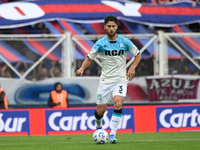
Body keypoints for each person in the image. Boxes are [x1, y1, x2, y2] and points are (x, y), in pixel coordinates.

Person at [76, 15, 141, 144]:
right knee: (100, 111)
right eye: (109, 26)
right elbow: (90, 57)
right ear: (105, 27)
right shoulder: (100, 43)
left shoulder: (125, 42)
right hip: (105, 81)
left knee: (118, 103)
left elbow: (138, 55)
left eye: (113, 26)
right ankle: (99, 127)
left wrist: (132, 67)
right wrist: (82, 68)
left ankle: (112, 135)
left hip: (120, 80)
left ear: (117, 26)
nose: (111, 28)